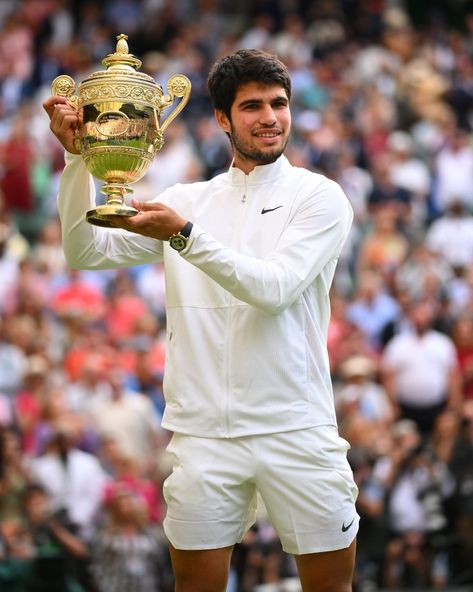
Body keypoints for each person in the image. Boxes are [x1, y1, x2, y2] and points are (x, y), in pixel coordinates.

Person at [43, 49, 358, 592]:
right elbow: (85, 251)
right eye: (252, 105)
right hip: (202, 434)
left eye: (279, 104)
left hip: (297, 427)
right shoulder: (187, 199)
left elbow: (275, 289)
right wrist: (77, 163)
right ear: (221, 119)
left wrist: (184, 236)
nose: (270, 117)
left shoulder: (319, 196)